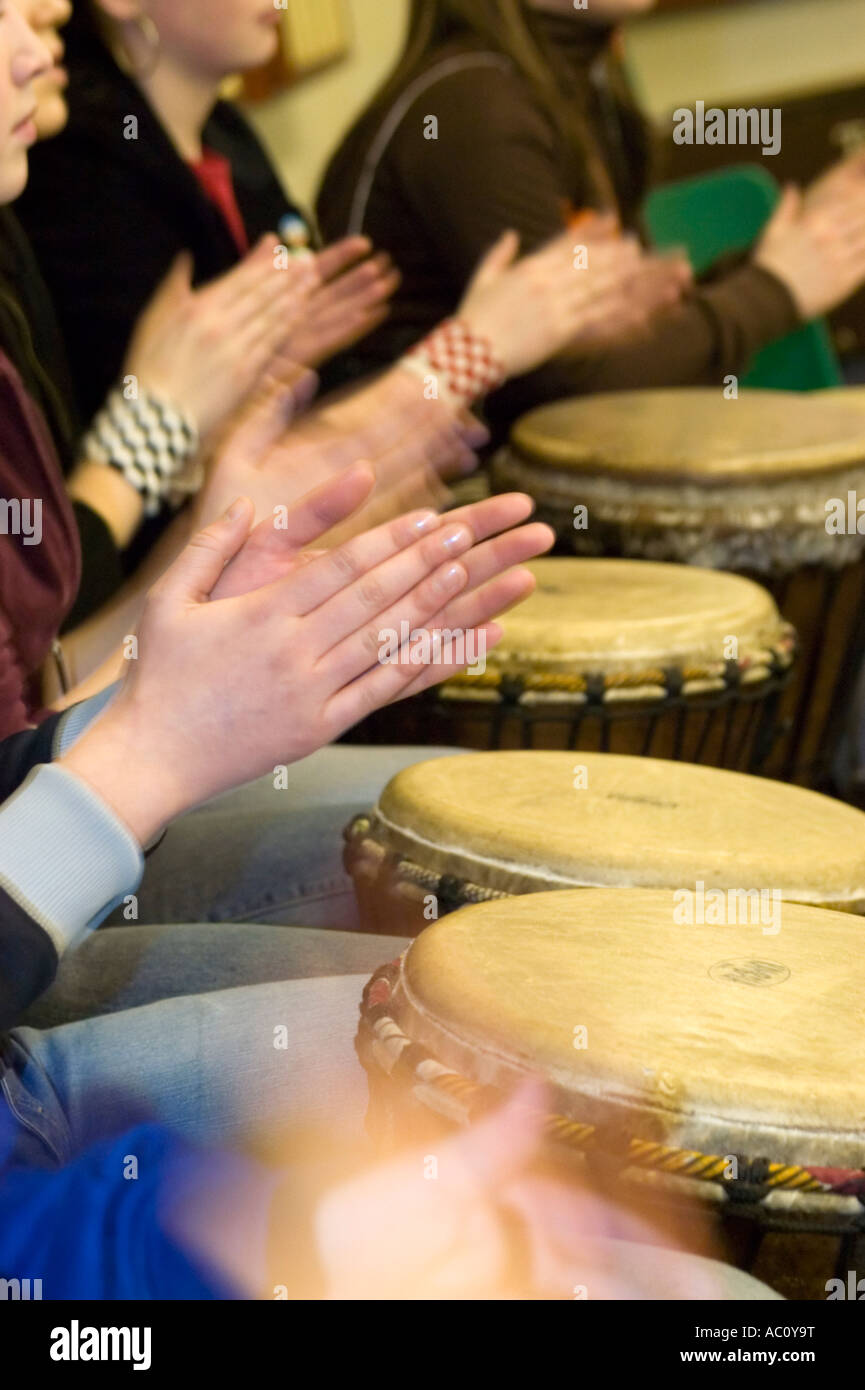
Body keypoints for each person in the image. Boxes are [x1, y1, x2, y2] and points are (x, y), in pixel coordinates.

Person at [317, 0, 865, 428]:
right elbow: (583, 389)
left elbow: (615, 353)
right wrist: (775, 287)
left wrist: (802, 252)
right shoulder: (471, 106)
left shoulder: (576, 82)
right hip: (444, 519)